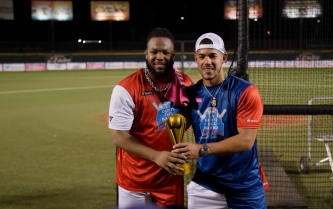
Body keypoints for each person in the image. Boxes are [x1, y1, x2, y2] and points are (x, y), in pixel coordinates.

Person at [173, 33, 267, 209]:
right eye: (201, 56)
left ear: (223, 58)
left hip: (244, 184)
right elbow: (172, 125)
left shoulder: (245, 91)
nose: (207, 61)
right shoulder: (190, 94)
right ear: (195, 59)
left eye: (212, 55)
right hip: (206, 184)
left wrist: (200, 150)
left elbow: (246, 141)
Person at [108, 27, 193, 208]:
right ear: (146, 53)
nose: (159, 56)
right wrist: (156, 156)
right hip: (134, 181)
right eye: (154, 51)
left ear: (173, 54)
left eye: (165, 52)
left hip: (170, 178)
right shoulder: (126, 88)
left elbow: (189, 118)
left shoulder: (185, 83)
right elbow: (119, 136)